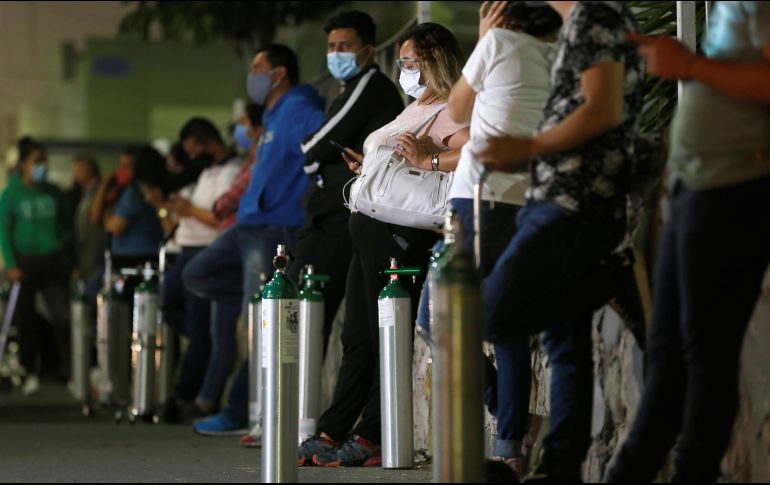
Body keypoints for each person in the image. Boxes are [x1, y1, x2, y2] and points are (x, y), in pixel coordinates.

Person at [470, 1, 645, 480]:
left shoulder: (596, 15)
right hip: (553, 197)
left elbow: (603, 108)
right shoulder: (577, 24)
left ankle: (602, 278)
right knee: (566, 347)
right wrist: (526, 160)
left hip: (573, 204)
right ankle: (559, 468)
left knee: (488, 312)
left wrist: (525, 147)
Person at [607, 2, 770, 482]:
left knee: (704, 353)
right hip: (695, 191)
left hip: (734, 191)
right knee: (669, 348)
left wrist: (688, 65)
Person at [298, 22, 470, 468]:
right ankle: (333, 428)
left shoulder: (454, 106)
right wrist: (372, 167)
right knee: (357, 334)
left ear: (435, 61)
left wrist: (427, 158)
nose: (406, 70)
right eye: (404, 62)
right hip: (371, 225)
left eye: (412, 62)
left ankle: (374, 432)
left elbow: (473, 150)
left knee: (385, 333)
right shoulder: (419, 105)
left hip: (402, 232)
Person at [238, 9, 404, 448]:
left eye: (344, 46)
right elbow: (318, 153)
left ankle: (303, 424)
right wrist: (318, 160)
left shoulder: (370, 85)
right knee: (333, 325)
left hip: (342, 215)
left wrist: (318, 159)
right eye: (331, 46)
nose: (336, 53)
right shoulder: (348, 87)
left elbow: (313, 146)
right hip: (334, 214)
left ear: (369, 49)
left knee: (306, 315)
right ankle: (306, 423)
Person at [446, 0, 561, 476]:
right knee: (502, 320)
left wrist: (482, 36)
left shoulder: (497, 42)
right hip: (522, 196)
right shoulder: (557, 57)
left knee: (447, 319)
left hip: (481, 196)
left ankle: (512, 432)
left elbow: (456, 108)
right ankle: (512, 439)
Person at [185, 44, 325, 436]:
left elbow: (320, 145)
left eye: (259, 67)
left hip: (274, 228)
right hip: (247, 225)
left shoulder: (298, 108)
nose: (253, 74)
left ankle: (239, 412)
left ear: (280, 73)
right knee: (197, 274)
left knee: (262, 326)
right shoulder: (273, 116)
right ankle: (244, 299)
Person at [155, 118, 243, 422]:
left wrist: (188, 210)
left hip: (207, 253)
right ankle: (193, 392)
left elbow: (221, 217)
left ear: (205, 142)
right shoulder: (206, 171)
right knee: (173, 308)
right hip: (188, 251)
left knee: (205, 331)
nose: (191, 158)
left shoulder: (232, 171)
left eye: (194, 151)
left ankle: (190, 396)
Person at [0, 137, 73, 395]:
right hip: (24, 263)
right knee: (27, 320)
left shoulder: (53, 193)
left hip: (52, 262)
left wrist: (60, 243)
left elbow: (67, 223)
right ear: (23, 164)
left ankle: (70, 370)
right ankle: (30, 371)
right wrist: (11, 264)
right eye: (36, 161)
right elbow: (5, 232)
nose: (42, 166)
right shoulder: (11, 194)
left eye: (44, 161)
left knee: (62, 316)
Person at [102, 145, 165, 269]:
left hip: (132, 259)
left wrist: (107, 212)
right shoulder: (156, 187)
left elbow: (115, 228)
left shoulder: (133, 192)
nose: (122, 170)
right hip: (151, 254)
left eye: (128, 166)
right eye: (121, 165)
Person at [71, 155, 104, 311]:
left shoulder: (99, 195)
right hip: (85, 260)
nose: (75, 175)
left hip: (96, 259)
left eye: (78, 170)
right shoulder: (84, 196)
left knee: (93, 303)